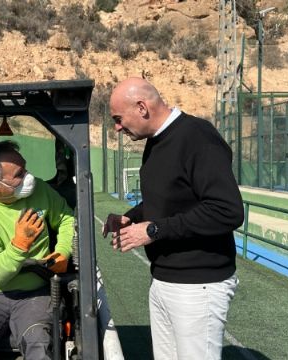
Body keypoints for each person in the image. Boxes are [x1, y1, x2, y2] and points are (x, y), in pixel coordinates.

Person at [104, 77, 244, 360]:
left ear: (142, 107)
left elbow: (227, 209)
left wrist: (154, 230)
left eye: (118, 119)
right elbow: (166, 198)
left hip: (198, 286)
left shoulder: (197, 136)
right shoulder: (155, 142)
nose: (117, 127)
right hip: (164, 280)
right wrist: (130, 218)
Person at [0, 140, 74, 360]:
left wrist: (63, 251)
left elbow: (67, 218)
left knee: (39, 344)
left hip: (35, 293)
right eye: (19, 174)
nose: (29, 177)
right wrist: (20, 245)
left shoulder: (40, 190)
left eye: (26, 168)